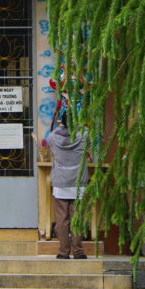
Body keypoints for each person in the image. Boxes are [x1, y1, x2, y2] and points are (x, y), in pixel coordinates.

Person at [47, 108, 88, 259]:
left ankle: (63, 252)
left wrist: (61, 126)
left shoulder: (53, 137)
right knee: (77, 217)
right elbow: (85, 129)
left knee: (62, 219)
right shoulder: (84, 135)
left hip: (60, 182)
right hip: (78, 182)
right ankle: (78, 251)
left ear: (61, 122)